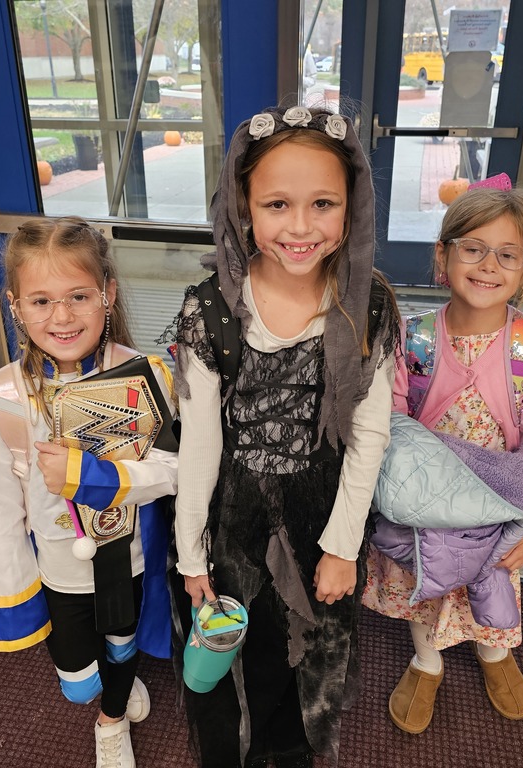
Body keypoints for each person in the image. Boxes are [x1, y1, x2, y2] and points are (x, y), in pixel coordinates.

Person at [170, 106, 399, 767]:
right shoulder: (210, 308)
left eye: (322, 203)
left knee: (313, 652)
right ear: (244, 206)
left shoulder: (368, 303)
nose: (300, 227)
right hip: (233, 515)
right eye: (277, 204)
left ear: (350, 206)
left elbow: (371, 432)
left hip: (323, 513)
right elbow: (201, 445)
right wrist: (191, 555)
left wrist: (341, 545)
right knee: (238, 648)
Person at [363, 179, 523, 733]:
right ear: (443, 255)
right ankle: (427, 661)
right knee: (424, 586)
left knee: (492, 585)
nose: (489, 265)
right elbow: (386, 430)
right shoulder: (410, 342)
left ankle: (493, 653)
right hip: (423, 509)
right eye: (473, 248)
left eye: (508, 254)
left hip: (499, 513)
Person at [0, 217, 177, 768]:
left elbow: (175, 472)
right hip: (58, 566)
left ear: (106, 294)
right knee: (77, 671)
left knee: (122, 643)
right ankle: (103, 695)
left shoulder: (146, 375)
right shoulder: (0, 399)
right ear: (16, 305)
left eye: (79, 296)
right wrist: (15, 598)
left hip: (128, 557)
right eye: (41, 301)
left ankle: (112, 721)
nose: (61, 316)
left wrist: (98, 478)